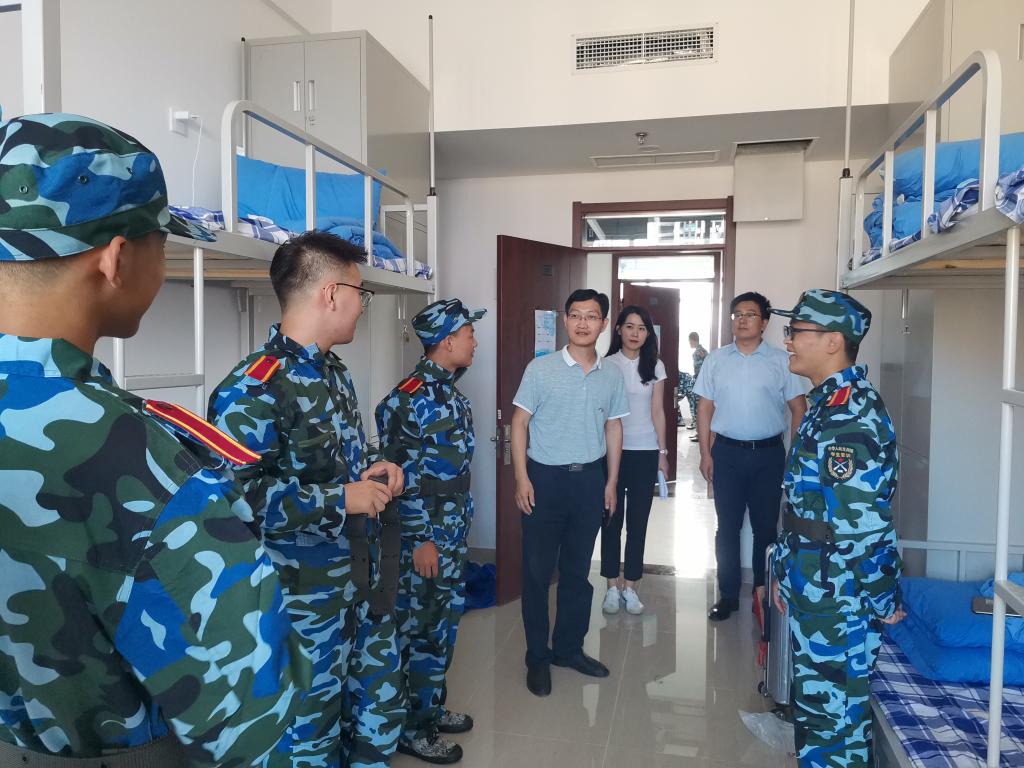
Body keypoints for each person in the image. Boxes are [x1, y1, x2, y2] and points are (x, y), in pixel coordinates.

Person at [0, 112, 312, 766]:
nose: (164, 265)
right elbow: (253, 723)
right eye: (162, 245)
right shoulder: (140, 461)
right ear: (116, 258)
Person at [208, 231, 405, 768]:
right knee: (309, 734)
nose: (362, 306)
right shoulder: (253, 387)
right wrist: (342, 499)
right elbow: (236, 499)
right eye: (361, 293)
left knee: (378, 714)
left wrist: (375, 467)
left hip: (358, 582)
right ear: (331, 293)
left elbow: (341, 458)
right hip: (302, 603)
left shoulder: (334, 372)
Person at [770, 289, 903, 768]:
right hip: (815, 582)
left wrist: (884, 599)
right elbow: (808, 505)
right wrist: (785, 571)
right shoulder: (827, 404)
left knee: (837, 724)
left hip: (840, 594)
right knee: (817, 714)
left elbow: (861, 526)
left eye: (796, 332)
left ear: (833, 342)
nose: (787, 341)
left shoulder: (851, 414)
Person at [375, 298, 485, 765]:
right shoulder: (407, 400)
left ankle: (431, 709)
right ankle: (412, 730)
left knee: (443, 627)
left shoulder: (451, 394)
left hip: (452, 533)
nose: (475, 342)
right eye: (469, 334)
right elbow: (400, 479)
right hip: (427, 538)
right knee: (420, 632)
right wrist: (421, 539)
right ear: (447, 341)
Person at [510, 289, 629, 697]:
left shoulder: (611, 374)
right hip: (544, 480)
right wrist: (522, 478)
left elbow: (614, 426)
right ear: (565, 320)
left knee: (577, 572)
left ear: (603, 324)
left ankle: (568, 649)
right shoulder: (540, 369)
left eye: (591, 316)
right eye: (575, 315)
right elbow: (519, 423)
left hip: (589, 481)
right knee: (537, 573)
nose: (582, 323)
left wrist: (610, 482)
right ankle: (537, 658)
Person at [694, 291, 806, 621]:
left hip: (768, 456)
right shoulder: (716, 360)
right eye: (737, 314)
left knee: (766, 529)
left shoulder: (782, 361)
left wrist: (794, 457)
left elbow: (799, 409)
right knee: (726, 528)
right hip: (726, 454)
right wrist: (705, 453)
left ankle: (763, 593)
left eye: (750, 314)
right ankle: (728, 595)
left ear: (764, 322)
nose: (742, 320)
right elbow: (704, 409)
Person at [601, 305, 669, 616]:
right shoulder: (606, 364)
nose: (635, 333)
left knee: (638, 524)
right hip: (611, 453)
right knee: (610, 521)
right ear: (618, 329)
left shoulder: (655, 365)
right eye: (629, 326)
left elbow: (658, 411)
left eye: (642, 328)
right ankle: (611, 586)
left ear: (648, 334)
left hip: (644, 452)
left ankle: (631, 587)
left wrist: (662, 453)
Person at [687, 331, 708, 440]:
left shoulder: (697, 353)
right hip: (705, 384)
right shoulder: (704, 351)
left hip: (699, 384)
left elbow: (699, 371)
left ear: (692, 340)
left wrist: (694, 381)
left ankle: (699, 434)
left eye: (689, 341)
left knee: (697, 409)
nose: (689, 343)